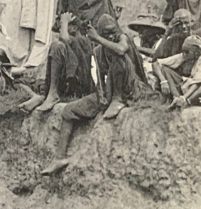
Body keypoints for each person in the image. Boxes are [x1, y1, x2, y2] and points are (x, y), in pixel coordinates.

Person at [40, 13, 148, 175]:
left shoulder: (122, 39)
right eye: (106, 33)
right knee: (68, 111)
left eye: (113, 31)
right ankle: (60, 157)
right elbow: (98, 76)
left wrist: (98, 38)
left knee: (119, 57)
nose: (111, 35)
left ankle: (118, 100)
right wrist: (101, 94)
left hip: (130, 90)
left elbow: (121, 49)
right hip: (109, 92)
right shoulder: (98, 51)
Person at [25, 12, 95, 113]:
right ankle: (39, 97)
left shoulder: (83, 41)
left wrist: (64, 21)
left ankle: (52, 94)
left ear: (74, 28)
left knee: (57, 46)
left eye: (64, 27)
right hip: (66, 84)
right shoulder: (72, 42)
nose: (60, 31)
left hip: (77, 86)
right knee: (21, 82)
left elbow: (64, 38)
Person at [155, 35, 201, 104]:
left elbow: (197, 83)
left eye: (187, 51)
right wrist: (163, 81)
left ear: (196, 52)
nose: (184, 54)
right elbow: (156, 63)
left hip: (195, 89)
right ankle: (176, 97)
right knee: (165, 69)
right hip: (184, 85)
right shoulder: (182, 56)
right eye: (183, 51)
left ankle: (185, 102)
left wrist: (184, 97)